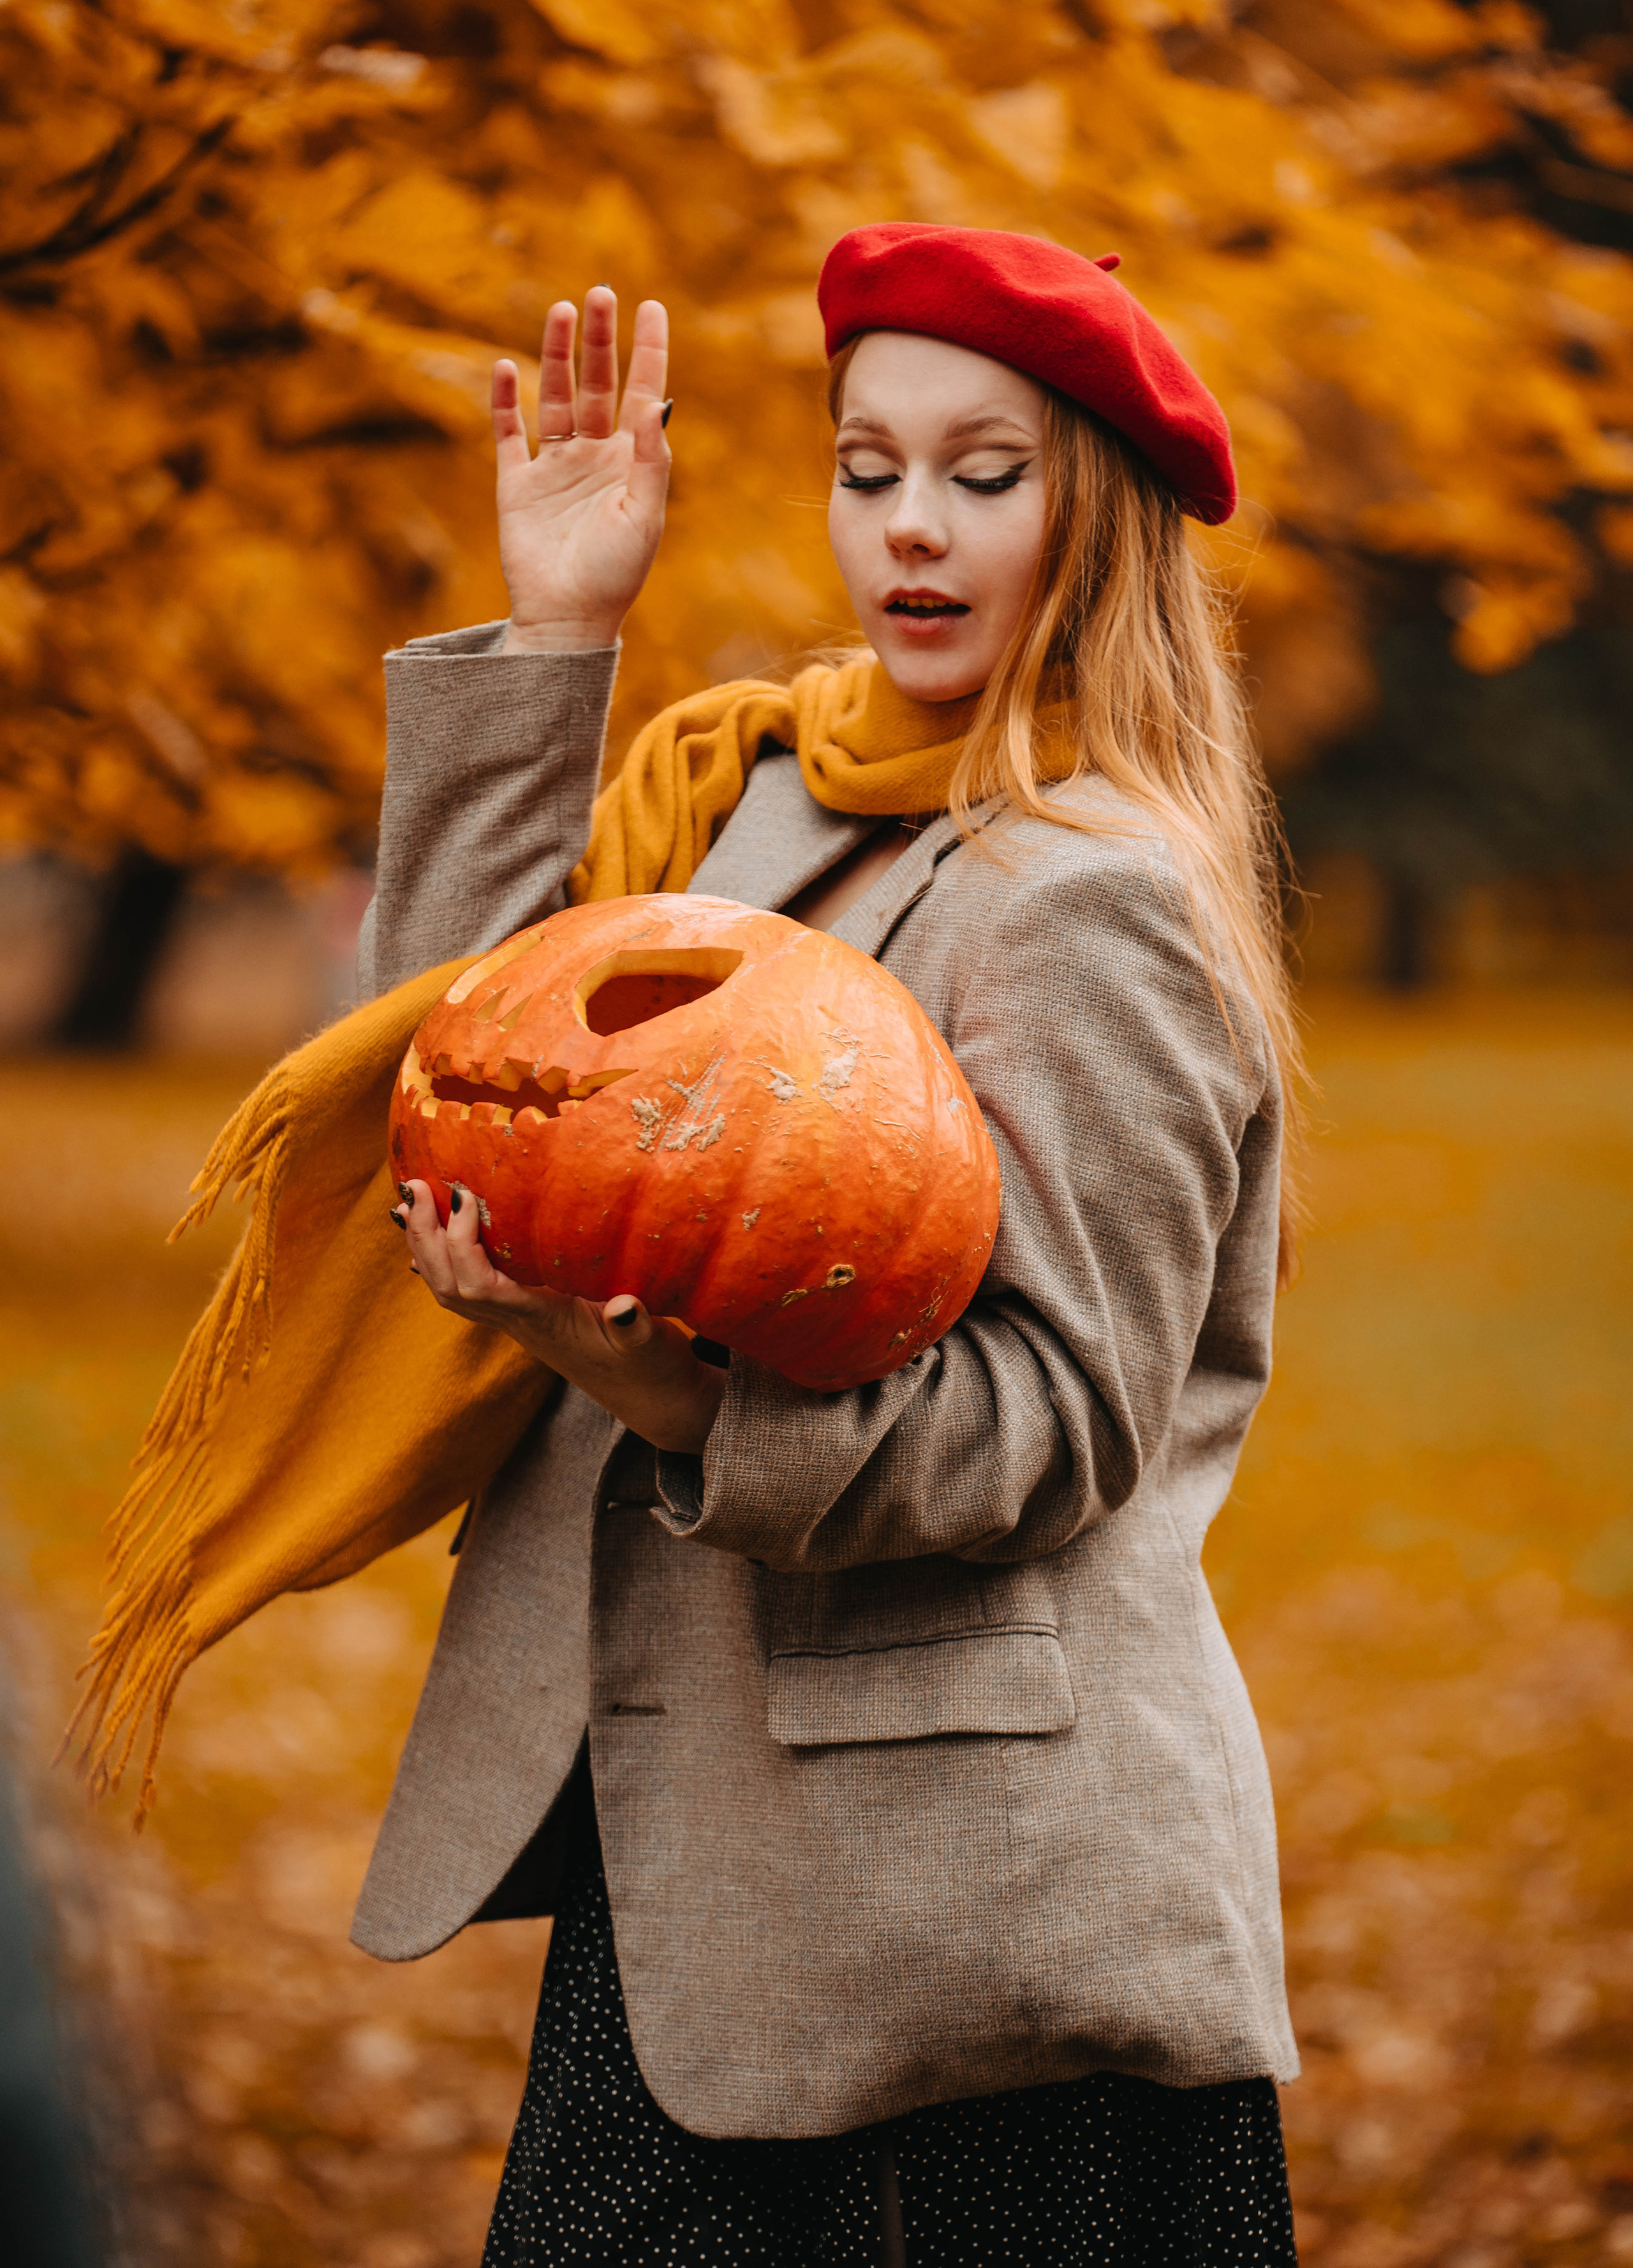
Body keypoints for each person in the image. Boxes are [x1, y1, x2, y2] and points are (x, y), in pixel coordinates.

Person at [362, 225, 1304, 2264]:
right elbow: (471, 1063)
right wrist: (558, 634)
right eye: (868, 468)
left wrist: (670, 1399)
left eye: (986, 473)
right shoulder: (764, 804)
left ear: (1099, 520)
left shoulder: (1094, 898)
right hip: (710, 1854)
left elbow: (1055, 1425)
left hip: (972, 1911)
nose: (912, 526)